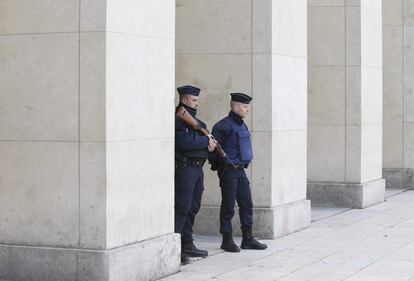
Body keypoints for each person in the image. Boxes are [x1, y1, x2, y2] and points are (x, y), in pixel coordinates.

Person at [209, 92, 267, 252]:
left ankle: (247, 238)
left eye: (248, 106)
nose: (247, 109)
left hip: (241, 170)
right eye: (244, 106)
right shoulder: (223, 126)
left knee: (247, 204)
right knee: (228, 206)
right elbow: (212, 150)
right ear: (235, 107)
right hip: (229, 171)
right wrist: (221, 168)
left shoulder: (242, 124)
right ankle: (226, 239)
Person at [175, 85, 217, 264]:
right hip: (185, 170)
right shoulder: (178, 120)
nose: (197, 103)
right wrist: (204, 140)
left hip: (197, 169)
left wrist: (211, 147)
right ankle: (176, 248)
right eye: (194, 100)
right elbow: (183, 142)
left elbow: (202, 146)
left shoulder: (198, 123)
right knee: (182, 209)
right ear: (184, 100)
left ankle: (187, 244)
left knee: (193, 208)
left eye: (197, 100)